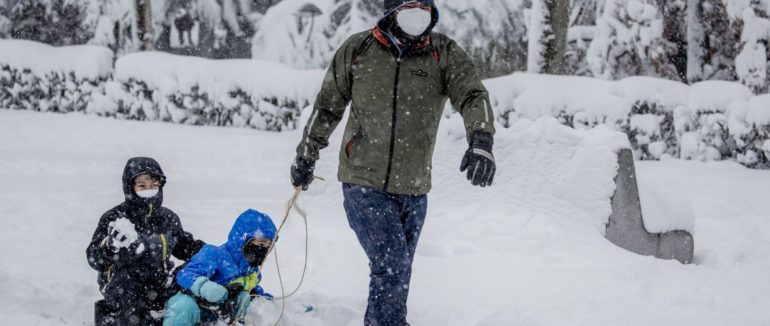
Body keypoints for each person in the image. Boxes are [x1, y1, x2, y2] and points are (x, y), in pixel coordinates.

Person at [290, 0, 496, 324]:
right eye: (409, 4)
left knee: (395, 272)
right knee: (392, 264)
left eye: (423, 5)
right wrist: (306, 153)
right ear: (391, 9)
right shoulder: (359, 49)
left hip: (414, 187)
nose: (418, 12)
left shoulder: (442, 53)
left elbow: (472, 94)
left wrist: (481, 140)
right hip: (362, 181)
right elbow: (327, 106)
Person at [86, 157, 206, 325]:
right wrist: (109, 247)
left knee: (191, 278)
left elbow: (184, 246)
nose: (148, 191)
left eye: (153, 185)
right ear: (131, 187)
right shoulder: (115, 217)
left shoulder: (167, 218)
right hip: (122, 285)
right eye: (142, 186)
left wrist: (212, 253)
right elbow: (94, 258)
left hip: (160, 280)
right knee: (131, 296)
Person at [162, 209, 276, 326]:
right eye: (261, 243)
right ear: (243, 239)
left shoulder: (252, 271)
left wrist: (267, 301)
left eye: (269, 245)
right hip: (193, 309)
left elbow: (254, 290)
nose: (264, 249)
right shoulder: (214, 254)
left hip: (221, 316)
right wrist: (203, 286)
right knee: (183, 305)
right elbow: (184, 274)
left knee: (244, 297)